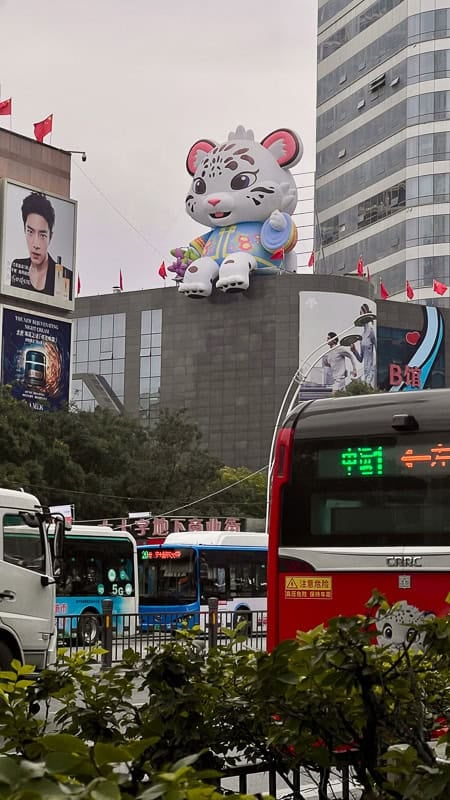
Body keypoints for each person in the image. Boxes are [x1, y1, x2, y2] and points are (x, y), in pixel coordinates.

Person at [10, 192, 71, 298]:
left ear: (50, 237)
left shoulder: (65, 276)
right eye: (30, 232)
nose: (36, 244)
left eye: (42, 235)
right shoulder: (17, 267)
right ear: (25, 230)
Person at [350, 303, 377, 387]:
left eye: (362, 314)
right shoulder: (361, 336)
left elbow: (378, 350)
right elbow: (361, 359)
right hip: (365, 372)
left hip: (371, 370)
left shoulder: (371, 331)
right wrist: (354, 351)